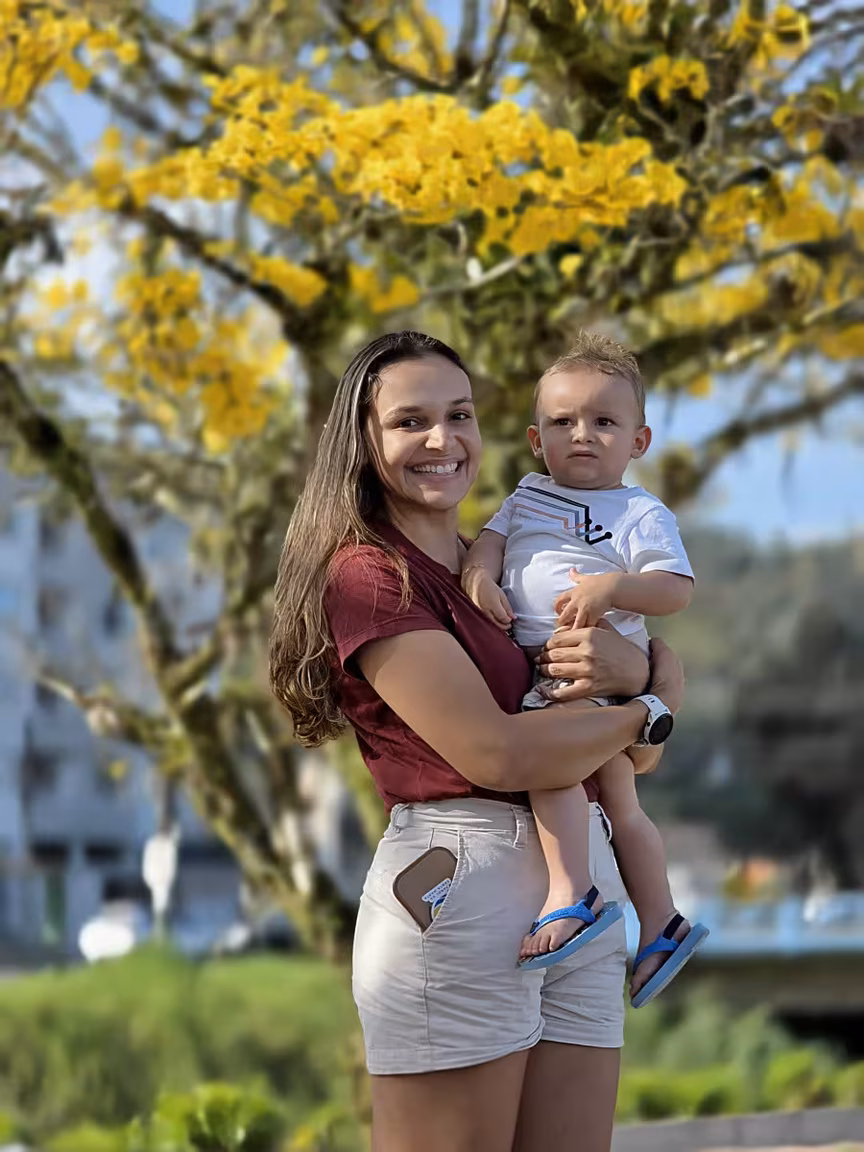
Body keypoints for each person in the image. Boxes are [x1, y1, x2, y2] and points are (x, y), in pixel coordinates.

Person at [269, 331, 685, 1152]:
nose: (443, 439)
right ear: (363, 442)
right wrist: (652, 703)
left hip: (581, 888)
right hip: (459, 886)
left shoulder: (503, 567)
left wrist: (635, 676)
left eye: (459, 415)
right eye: (410, 421)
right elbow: (496, 754)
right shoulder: (370, 577)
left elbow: (639, 761)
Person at [462, 332, 707, 1005]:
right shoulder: (527, 495)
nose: (582, 435)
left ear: (638, 441)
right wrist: (479, 577)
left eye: (604, 422)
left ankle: (573, 892)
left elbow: (676, 589)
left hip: (585, 678)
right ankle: (661, 924)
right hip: (564, 677)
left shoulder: (639, 512)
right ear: (536, 440)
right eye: (562, 422)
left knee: (551, 773)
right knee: (622, 806)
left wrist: (613, 589)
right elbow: (488, 545)